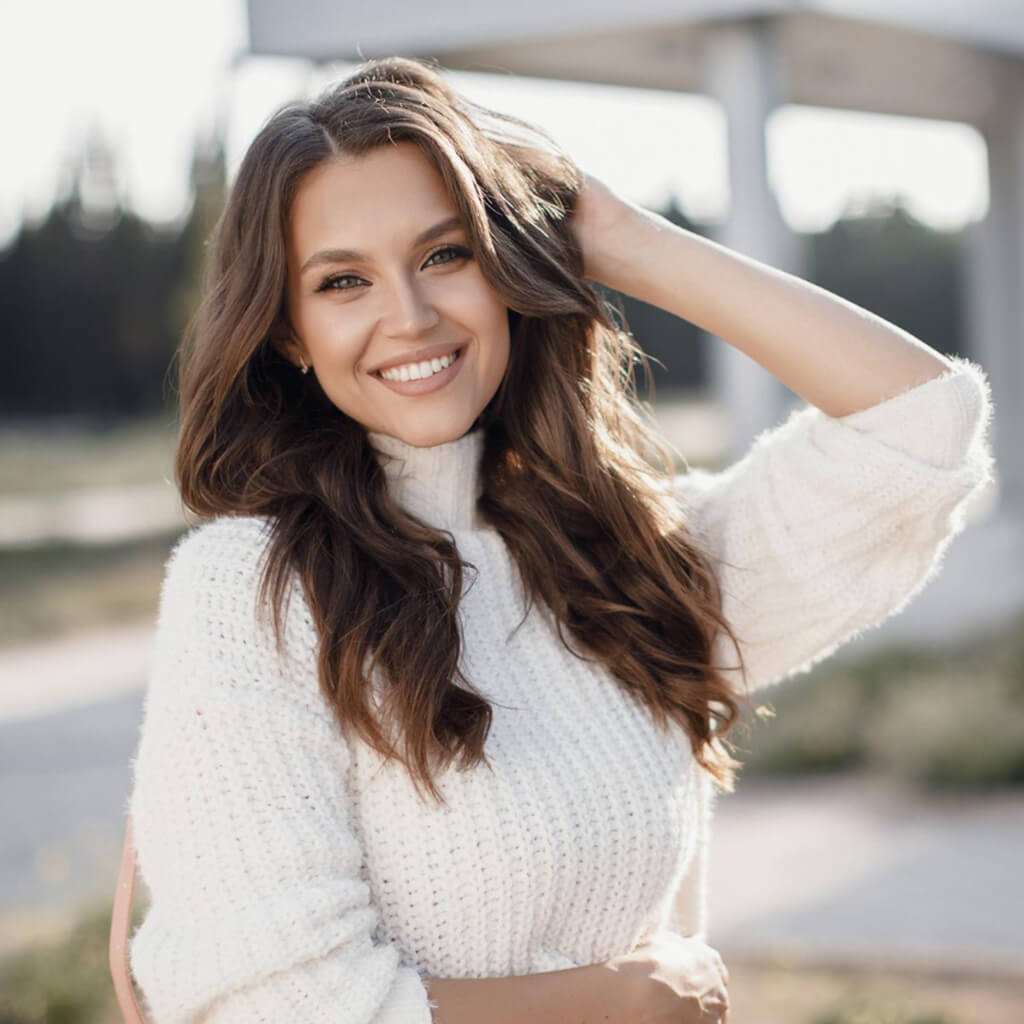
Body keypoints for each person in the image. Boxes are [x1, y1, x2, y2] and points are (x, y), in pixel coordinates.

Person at [126, 55, 995, 1023]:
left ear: (505, 269)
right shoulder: (252, 592)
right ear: (286, 331)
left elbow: (922, 425)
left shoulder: (618, 556)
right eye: (342, 282)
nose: (408, 317)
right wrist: (616, 1000)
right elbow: (271, 1002)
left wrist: (626, 241)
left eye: (445, 255)